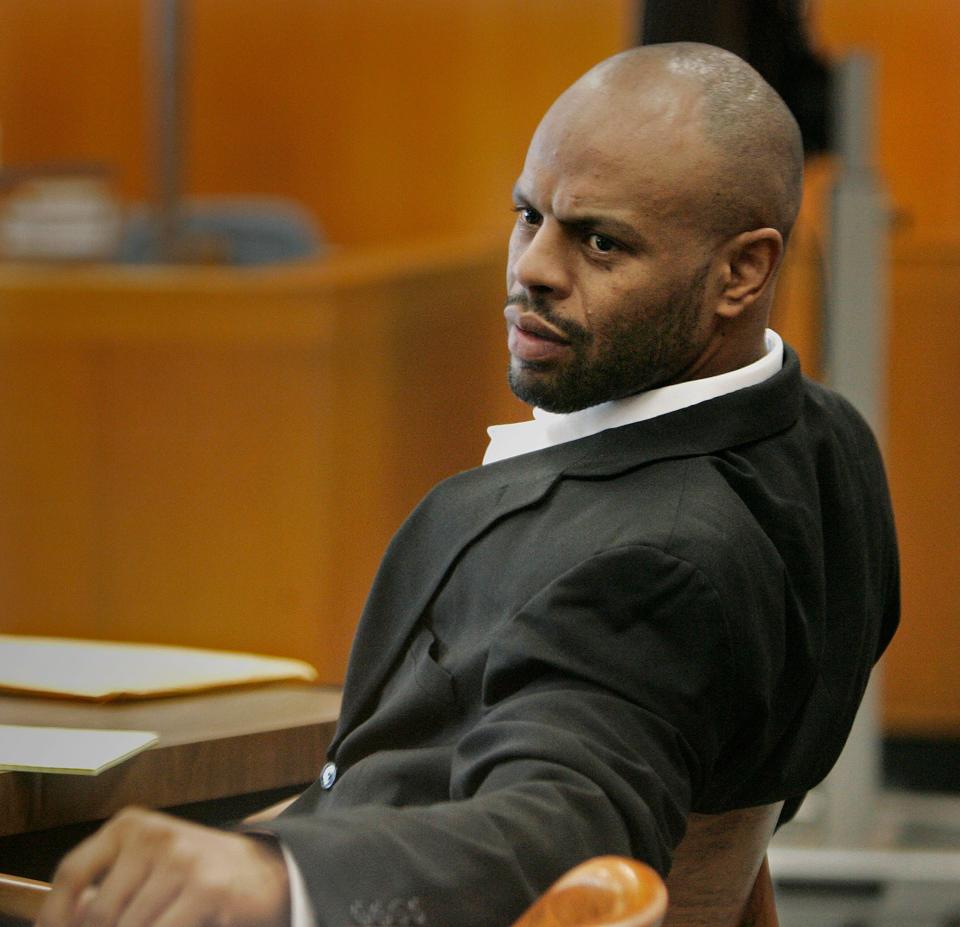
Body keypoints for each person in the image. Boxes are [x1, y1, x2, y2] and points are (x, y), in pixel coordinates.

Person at [37, 42, 898, 927]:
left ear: (742, 272)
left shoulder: (654, 563)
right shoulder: (827, 444)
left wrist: (282, 879)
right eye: (530, 216)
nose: (533, 268)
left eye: (601, 242)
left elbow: (564, 827)